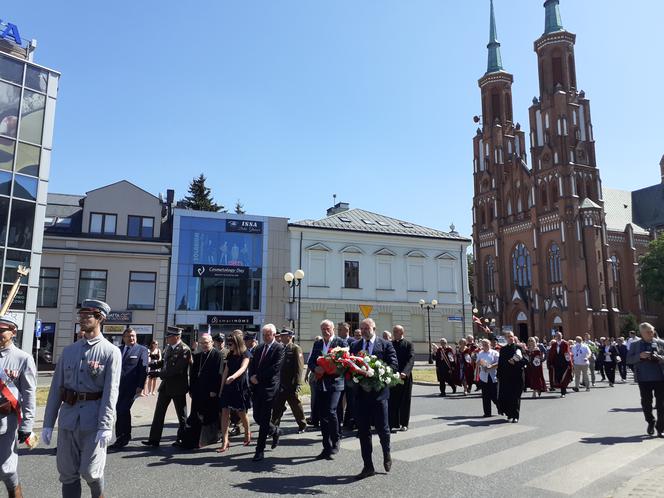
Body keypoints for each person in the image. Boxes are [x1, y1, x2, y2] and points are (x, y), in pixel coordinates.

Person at [42, 300, 121, 498]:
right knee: (67, 473)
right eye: (81, 315)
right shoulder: (69, 351)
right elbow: (55, 389)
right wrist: (48, 423)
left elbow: (111, 392)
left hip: (94, 420)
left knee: (91, 472)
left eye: (88, 316)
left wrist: (106, 425)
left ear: (100, 318)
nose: (83, 319)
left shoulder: (111, 352)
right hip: (68, 418)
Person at [350, 318, 398, 480]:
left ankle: (386, 453)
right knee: (363, 432)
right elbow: (349, 367)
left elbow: (393, 366)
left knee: (383, 429)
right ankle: (368, 466)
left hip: (379, 395)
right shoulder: (355, 346)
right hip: (361, 395)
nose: (363, 330)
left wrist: (377, 374)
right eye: (361, 328)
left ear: (374, 328)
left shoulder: (385, 344)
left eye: (366, 327)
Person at [0, 315, 36, 498]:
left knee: (6, 469)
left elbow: (29, 393)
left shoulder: (23, 358)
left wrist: (27, 425)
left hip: (7, 421)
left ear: (13, 332)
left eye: (1, 331)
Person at [141, 327, 192, 448]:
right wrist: (152, 364)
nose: (167, 339)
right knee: (159, 413)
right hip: (166, 386)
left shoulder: (185, 350)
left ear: (177, 337)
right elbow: (164, 362)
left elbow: (176, 369)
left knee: (182, 416)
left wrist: (158, 374)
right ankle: (154, 440)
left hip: (178, 387)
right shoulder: (169, 347)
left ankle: (183, 439)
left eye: (169, 337)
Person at [308, 320, 346, 460]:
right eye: (323, 328)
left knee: (331, 411)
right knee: (323, 414)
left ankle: (336, 441)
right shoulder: (318, 343)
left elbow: (344, 363)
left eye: (328, 328)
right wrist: (314, 368)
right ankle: (326, 446)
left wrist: (332, 369)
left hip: (336, 382)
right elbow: (311, 360)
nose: (325, 331)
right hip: (320, 382)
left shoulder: (341, 343)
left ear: (333, 328)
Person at [248, 323, 285, 462]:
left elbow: (275, 368)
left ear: (274, 335)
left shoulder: (279, 348)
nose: (265, 337)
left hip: (270, 388)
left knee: (263, 419)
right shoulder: (258, 348)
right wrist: (252, 376)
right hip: (257, 387)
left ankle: (259, 450)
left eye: (268, 334)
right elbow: (252, 364)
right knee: (257, 417)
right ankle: (275, 431)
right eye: (263, 335)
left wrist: (258, 377)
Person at [109, 328, 148, 450]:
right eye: (129, 336)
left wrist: (140, 386)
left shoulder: (141, 350)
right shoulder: (117, 350)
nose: (131, 338)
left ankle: (122, 438)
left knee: (122, 410)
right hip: (116, 387)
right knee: (120, 411)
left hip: (131, 387)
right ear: (124, 337)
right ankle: (125, 435)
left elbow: (144, 369)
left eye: (133, 336)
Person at [183, 333, 222, 449]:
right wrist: (191, 389)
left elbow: (218, 374)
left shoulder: (217, 355)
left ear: (211, 342)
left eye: (206, 342)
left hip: (210, 391)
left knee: (210, 414)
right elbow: (193, 374)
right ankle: (196, 438)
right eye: (202, 343)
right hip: (198, 390)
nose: (204, 345)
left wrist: (214, 389)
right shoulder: (197, 355)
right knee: (196, 414)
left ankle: (213, 436)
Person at [626, 323, 664, 437]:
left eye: (652, 331)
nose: (651, 334)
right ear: (641, 333)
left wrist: (661, 358)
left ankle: (660, 427)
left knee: (662, 405)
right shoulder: (635, 345)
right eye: (648, 332)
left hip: (660, 378)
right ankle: (651, 421)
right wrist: (640, 356)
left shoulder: (660, 343)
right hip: (643, 379)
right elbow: (628, 359)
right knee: (647, 404)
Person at [218, 330, 252, 452]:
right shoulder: (230, 354)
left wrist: (233, 377)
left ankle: (247, 432)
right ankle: (225, 441)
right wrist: (221, 389)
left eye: (231, 344)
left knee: (241, 413)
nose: (229, 346)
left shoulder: (246, 354)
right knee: (225, 412)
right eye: (228, 344)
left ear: (237, 343)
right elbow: (225, 372)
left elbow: (243, 368)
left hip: (239, 386)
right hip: (228, 386)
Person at [271, 328, 307, 434]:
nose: (281, 337)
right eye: (281, 335)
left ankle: (302, 425)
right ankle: (273, 428)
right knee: (277, 407)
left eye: (283, 335)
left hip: (291, 384)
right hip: (281, 384)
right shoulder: (281, 348)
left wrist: (297, 383)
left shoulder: (295, 348)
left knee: (296, 406)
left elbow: (299, 368)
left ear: (290, 336)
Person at [497, 332, 527, 423]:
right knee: (508, 396)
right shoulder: (503, 349)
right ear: (505, 338)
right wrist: (498, 375)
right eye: (508, 336)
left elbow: (525, 361)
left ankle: (516, 416)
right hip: (506, 377)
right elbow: (500, 363)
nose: (510, 338)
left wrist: (516, 363)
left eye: (511, 336)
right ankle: (509, 414)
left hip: (517, 376)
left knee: (516, 397)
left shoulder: (519, 348)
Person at [389, 325, 415, 432]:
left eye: (396, 331)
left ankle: (404, 423)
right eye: (394, 331)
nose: (394, 333)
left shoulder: (408, 344)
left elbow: (411, 359)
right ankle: (393, 423)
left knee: (405, 400)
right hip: (392, 376)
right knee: (392, 400)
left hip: (405, 376)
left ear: (402, 332)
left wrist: (405, 372)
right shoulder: (390, 344)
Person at [336, 322, 355, 430]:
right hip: (339, 375)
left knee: (351, 399)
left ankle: (350, 421)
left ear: (346, 330)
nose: (338, 331)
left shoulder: (353, 342)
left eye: (340, 330)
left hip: (350, 375)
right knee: (339, 399)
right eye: (338, 329)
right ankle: (339, 420)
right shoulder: (336, 341)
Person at [476, 339, 499, 417]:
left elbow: (499, 362)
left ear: (490, 344)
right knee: (485, 396)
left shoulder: (494, 353)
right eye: (483, 344)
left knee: (494, 395)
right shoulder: (480, 353)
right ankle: (487, 412)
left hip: (493, 376)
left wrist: (491, 366)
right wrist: (481, 363)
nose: (485, 346)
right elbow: (477, 362)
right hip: (484, 376)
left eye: (486, 344)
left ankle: (501, 408)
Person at [547, 332, 573, 397]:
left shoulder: (565, 343)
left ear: (562, 336)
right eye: (557, 336)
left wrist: (569, 363)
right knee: (558, 377)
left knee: (563, 377)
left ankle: (563, 392)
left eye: (559, 335)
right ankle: (560, 388)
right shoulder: (554, 344)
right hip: (556, 363)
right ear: (555, 337)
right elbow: (551, 354)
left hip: (564, 363)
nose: (558, 337)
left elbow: (567, 353)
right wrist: (550, 363)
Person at [305, 335, 323, 428]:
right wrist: (307, 374)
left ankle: (317, 417)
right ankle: (314, 417)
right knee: (314, 397)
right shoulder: (315, 348)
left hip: (322, 375)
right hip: (314, 374)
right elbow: (310, 362)